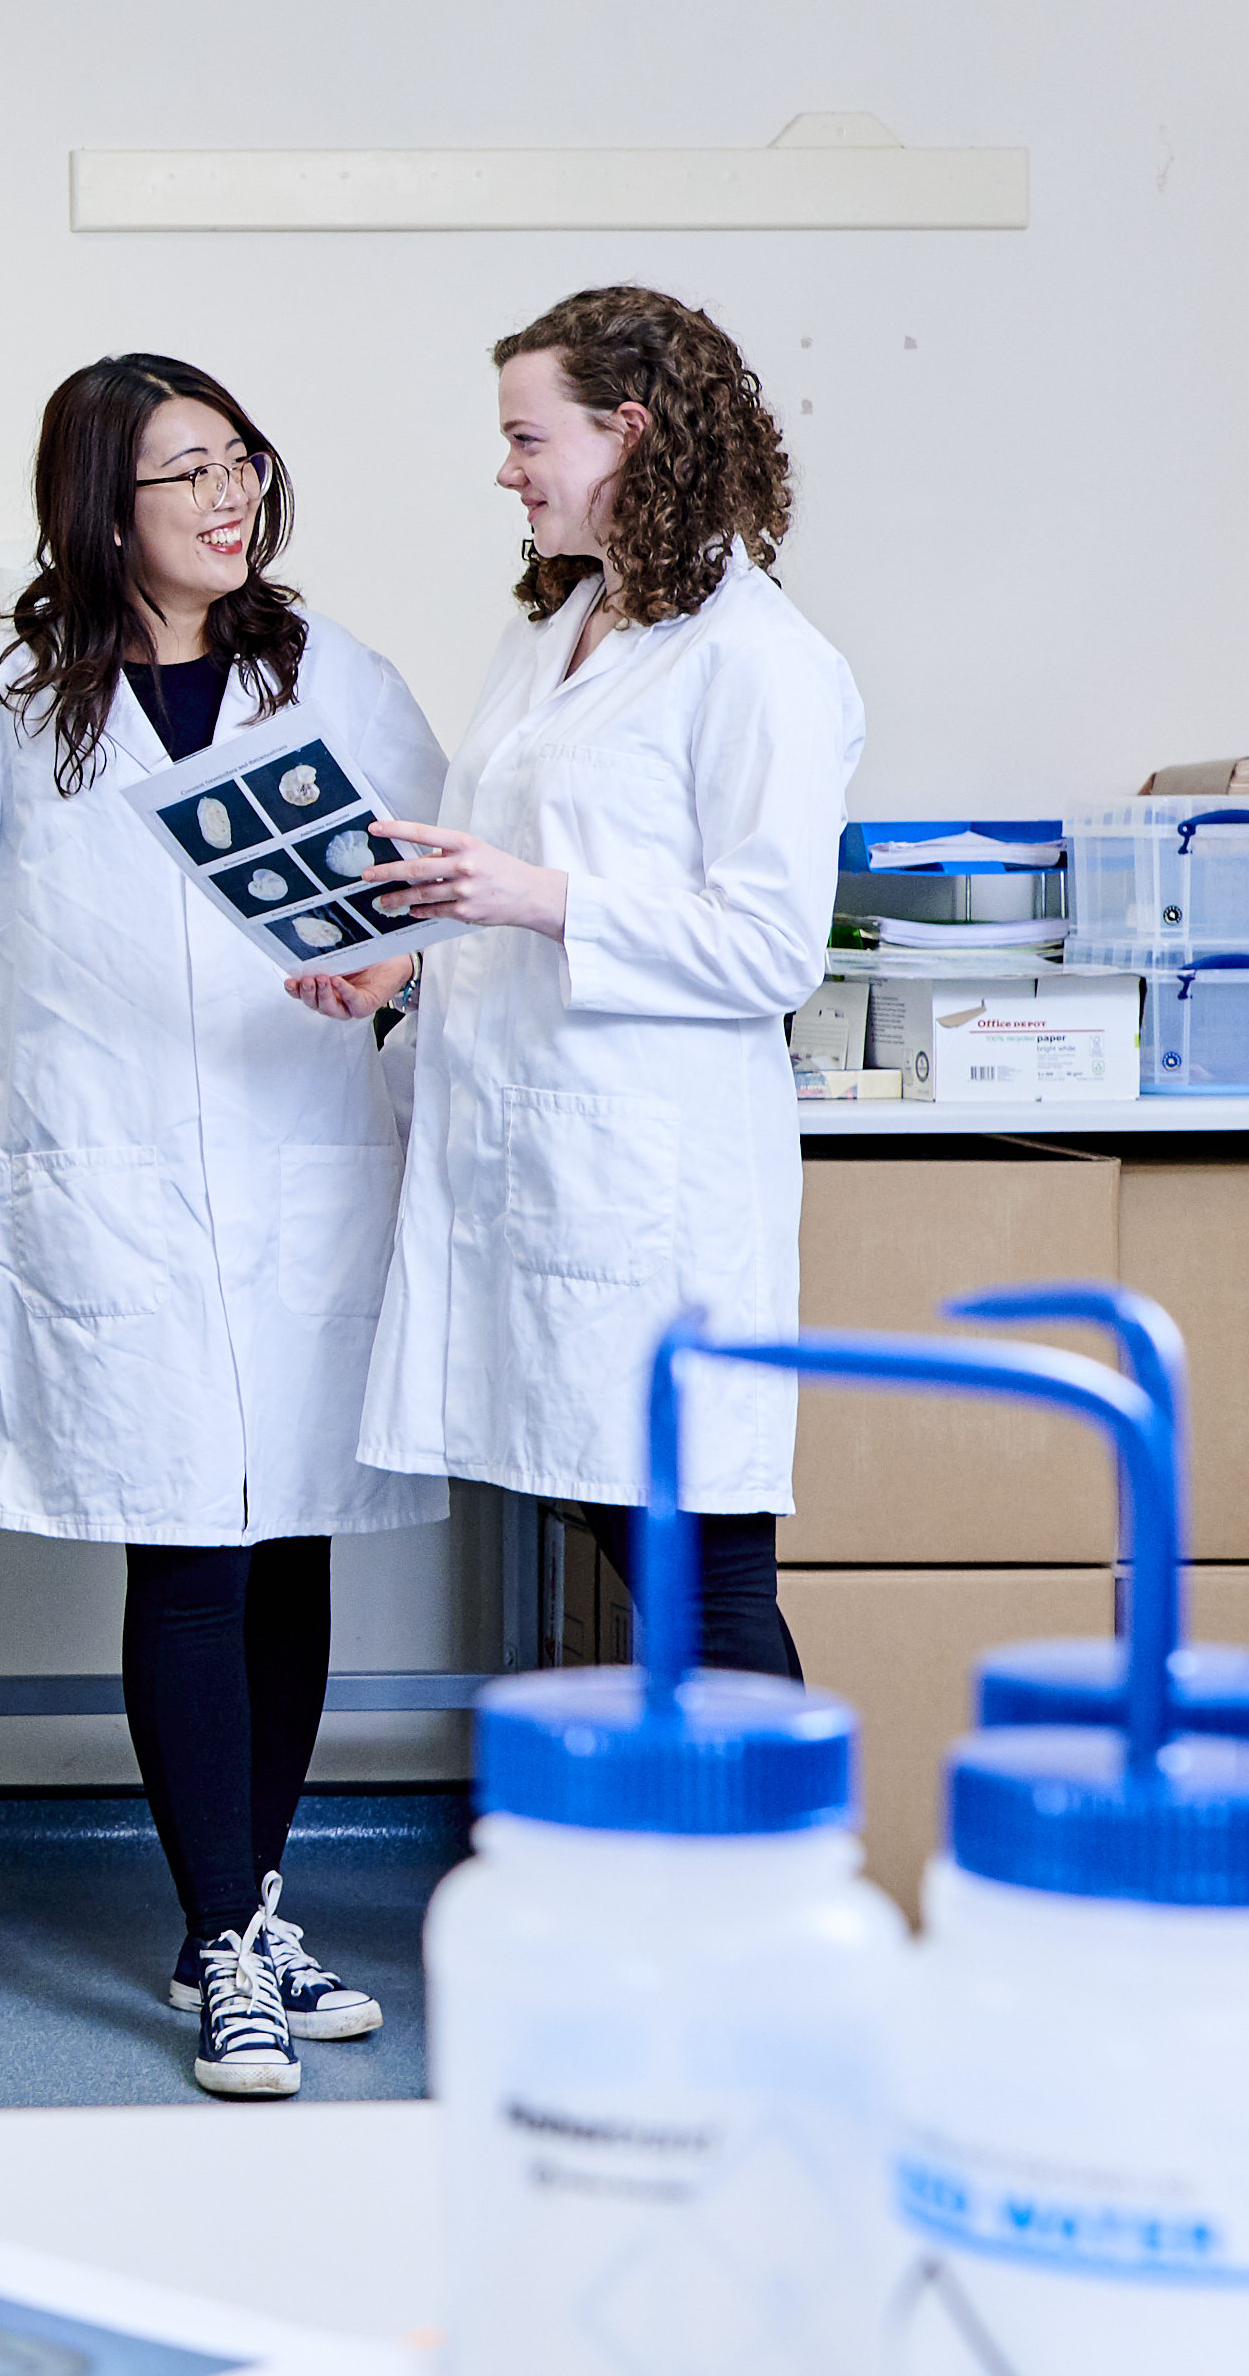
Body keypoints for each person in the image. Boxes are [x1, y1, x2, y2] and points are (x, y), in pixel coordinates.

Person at [0, 354, 448, 2101]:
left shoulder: (335, 673)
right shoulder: (9, 698)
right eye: (184, 473)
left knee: (294, 1545)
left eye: (240, 461)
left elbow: (429, 884)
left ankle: (248, 1917)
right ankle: (217, 1950)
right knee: (190, 1550)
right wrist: (27, 1104)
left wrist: (396, 978)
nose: (226, 497)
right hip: (105, 1180)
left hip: (303, 1160)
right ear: (99, 507)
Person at [351, 288, 865, 1686]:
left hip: (658, 1195)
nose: (506, 471)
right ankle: (684, 1884)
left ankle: (769, 1886)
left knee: (701, 1580)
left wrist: (534, 897)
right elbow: (528, 876)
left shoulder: (760, 661)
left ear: (628, 431)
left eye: (529, 438)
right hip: (540, 1164)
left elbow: (769, 948)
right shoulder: (560, 627)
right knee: (633, 1543)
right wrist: (405, 954)